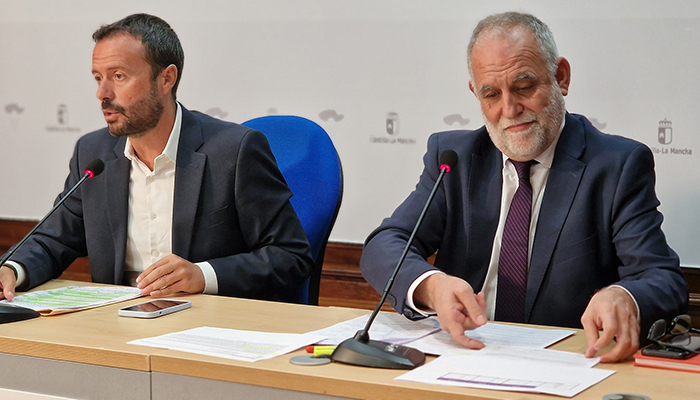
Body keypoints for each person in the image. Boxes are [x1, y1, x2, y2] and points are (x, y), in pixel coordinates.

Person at [360, 12, 688, 363]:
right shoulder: (455, 159)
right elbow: (385, 245)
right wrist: (431, 286)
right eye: (491, 94)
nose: (509, 109)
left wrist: (625, 296)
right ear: (476, 93)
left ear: (561, 77)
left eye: (524, 87)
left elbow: (662, 278)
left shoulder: (615, 166)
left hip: (566, 361)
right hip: (464, 355)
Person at [0, 13, 314, 303]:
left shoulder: (233, 151)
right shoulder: (93, 153)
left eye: (118, 76)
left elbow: (291, 256)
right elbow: (52, 240)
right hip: (115, 321)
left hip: (206, 319)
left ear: (166, 79)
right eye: (97, 78)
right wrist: (12, 270)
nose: (102, 93)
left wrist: (202, 275)